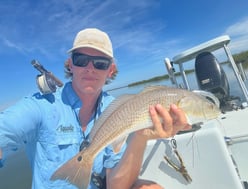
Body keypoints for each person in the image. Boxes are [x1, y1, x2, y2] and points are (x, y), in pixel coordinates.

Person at [0, 28, 191, 189]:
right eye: (81, 59)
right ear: (70, 64)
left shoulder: (118, 109)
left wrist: (141, 136)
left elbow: (116, 184)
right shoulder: (41, 106)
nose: (90, 68)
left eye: (100, 63)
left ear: (111, 70)